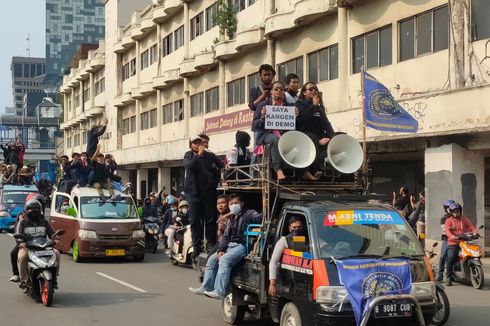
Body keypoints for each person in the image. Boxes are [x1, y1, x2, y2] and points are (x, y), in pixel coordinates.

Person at [189, 193, 263, 299]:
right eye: (231, 204)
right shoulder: (231, 218)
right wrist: (220, 249)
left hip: (241, 246)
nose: (233, 205)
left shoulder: (249, 213)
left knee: (224, 261)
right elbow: (225, 237)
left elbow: (260, 218)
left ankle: (219, 292)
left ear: (242, 204)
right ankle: (206, 288)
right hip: (229, 246)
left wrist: (263, 210)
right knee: (211, 260)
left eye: (236, 203)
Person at [184, 135, 224, 261]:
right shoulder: (189, 155)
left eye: (199, 143)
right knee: (195, 221)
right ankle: (197, 247)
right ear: (191, 144)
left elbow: (221, 165)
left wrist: (215, 178)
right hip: (193, 193)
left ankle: (210, 243)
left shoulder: (210, 155)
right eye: (195, 143)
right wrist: (198, 155)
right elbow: (189, 166)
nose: (197, 145)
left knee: (210, 219)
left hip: (208, 192)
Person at [252, 81, 293, 180]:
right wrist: (262, 117)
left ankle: (300, 172)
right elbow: (255, 125)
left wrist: (295, 115)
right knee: (275, 140)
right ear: (271, 92)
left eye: (281, 89)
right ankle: (278, 170)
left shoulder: (288, 106)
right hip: (266, 134)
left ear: (284, 91)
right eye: (276, 89)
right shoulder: (264, 104)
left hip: (284, 134)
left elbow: (293, 124)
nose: (279, 91)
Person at [16, 199, 61, 289]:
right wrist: (21, 243)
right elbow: (18, 234)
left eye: (36, 208)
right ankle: (24, 280)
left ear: (40, 209)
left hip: (43, 247)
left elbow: (52, 233)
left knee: (57, 253)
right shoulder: (22, 222)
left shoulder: (45, 222)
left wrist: (55, 239)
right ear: (26, 210)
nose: (33, 210)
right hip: (28, 247)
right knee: (22, 256)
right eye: (30, 208)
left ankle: (54, 278)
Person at [295, 81, 335, 181]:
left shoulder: (319, 106)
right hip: (304, 135)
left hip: (319, 135)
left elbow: (326, 123)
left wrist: (333, 137)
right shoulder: (299, 104)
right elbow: (302, 119)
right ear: (304, 92)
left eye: (315, 89)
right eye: (310, 89)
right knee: (313, 138)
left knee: (338, 138)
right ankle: (309, 171)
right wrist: (313, 105)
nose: (313, 91)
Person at [268, 216, 305, 297]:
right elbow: (273, 262)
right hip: (286, 279)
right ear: (289, 228)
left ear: (303, 227)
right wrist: (272, 283)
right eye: (294, 227)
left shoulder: (309, 239)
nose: (297, 230)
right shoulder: (284, 241)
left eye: (299, 227)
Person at [444, 202, 478, 286]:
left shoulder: (464, 219)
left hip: (464, 242)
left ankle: (468, 274)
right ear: (451, 213)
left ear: (460, 211)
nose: (456, 213)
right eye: (454, 212)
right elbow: (447, 231)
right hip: (453, 243)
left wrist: (475, 233)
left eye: (457, 211)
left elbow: (472, 227)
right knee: (451, 257)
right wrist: (452, 236)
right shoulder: (448, 221)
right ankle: (449, 277)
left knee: (472, 253)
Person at [436, 199, 454, 282]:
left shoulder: (458, 217)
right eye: (451, 207)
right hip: (447, 239)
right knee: (443, 256)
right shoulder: (444, 219)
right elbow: (445, 230)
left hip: (458, 239)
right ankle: (440, 274)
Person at [9, 212, 25, 282]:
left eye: (23, 217)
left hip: (35, 244)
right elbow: (17, 237)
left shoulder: (31, 223)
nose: (22, 219)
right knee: (13, 254)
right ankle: (16, 274)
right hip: (22, 244)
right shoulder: (19, 225)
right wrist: (21, 243)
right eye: (20, 217)